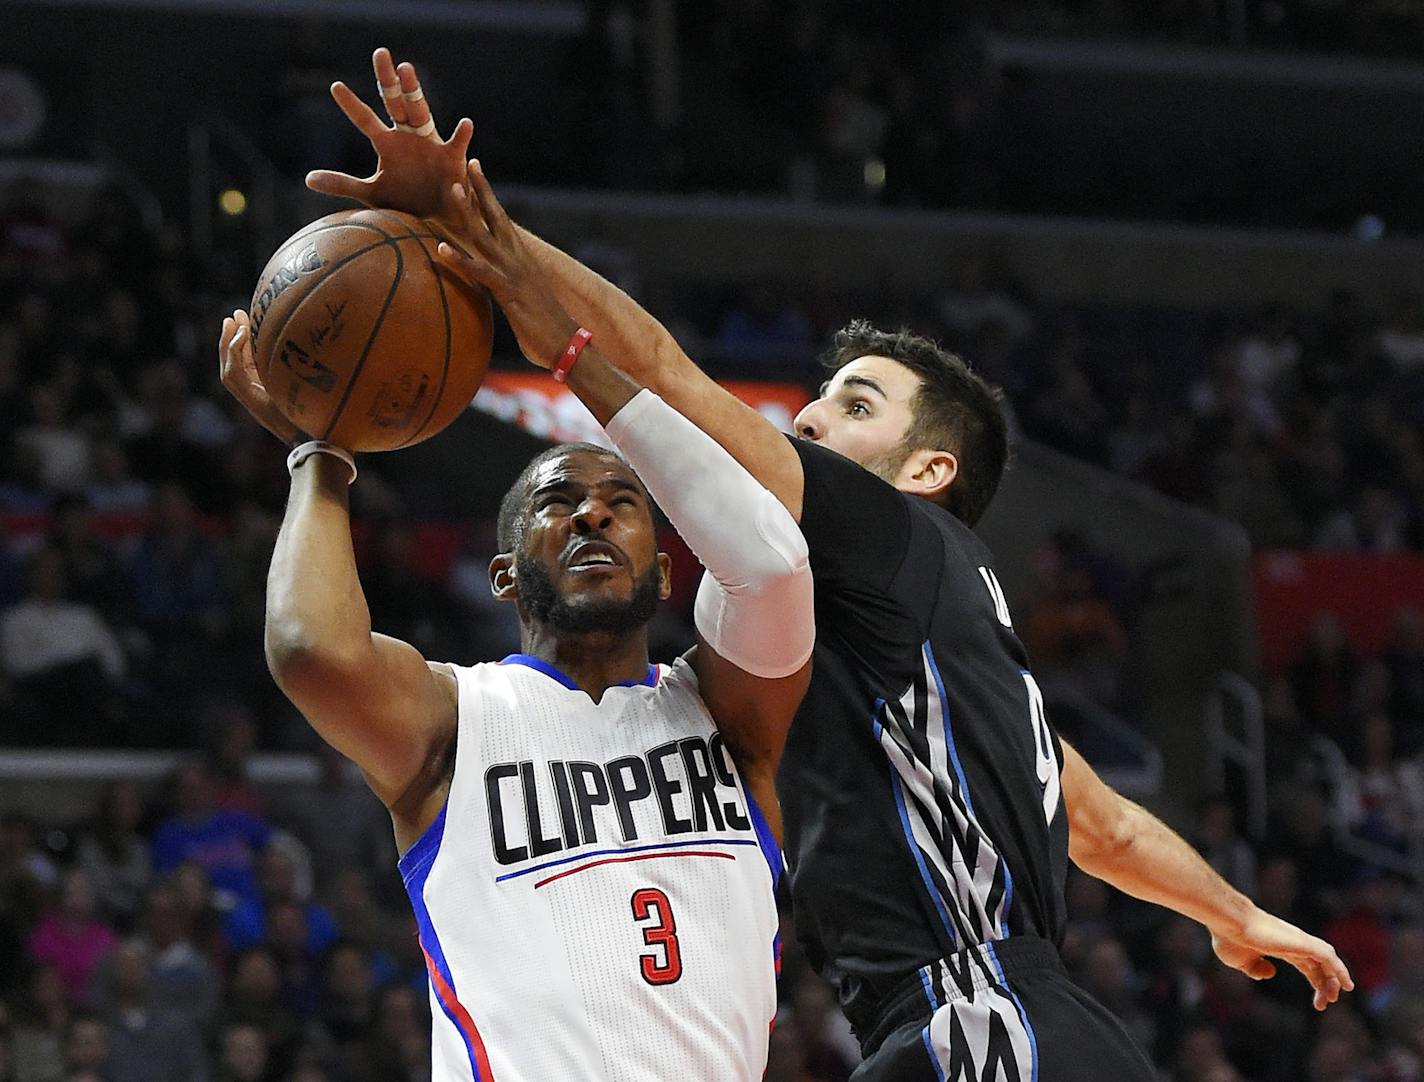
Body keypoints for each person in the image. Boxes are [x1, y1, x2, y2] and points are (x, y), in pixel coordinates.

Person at [306, 50, 1353, 1080]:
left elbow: (664, 370)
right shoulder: (944, 631)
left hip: (968, 1014)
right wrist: (1233, 909)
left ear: (927, 466)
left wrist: (485, 236)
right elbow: (1103, 823)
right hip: (1008, 1021)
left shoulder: (882, 529)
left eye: (855, 405)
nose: (807, 414)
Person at [217, 143, 814, 1077]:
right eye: (556, 503)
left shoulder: (731, 714)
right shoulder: (457, 718)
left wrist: (577, 362)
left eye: (624, 505)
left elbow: (775, 568)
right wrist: (320, 456)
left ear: (668, 571)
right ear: (503, 576)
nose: (590, 513)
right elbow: (310, 650)